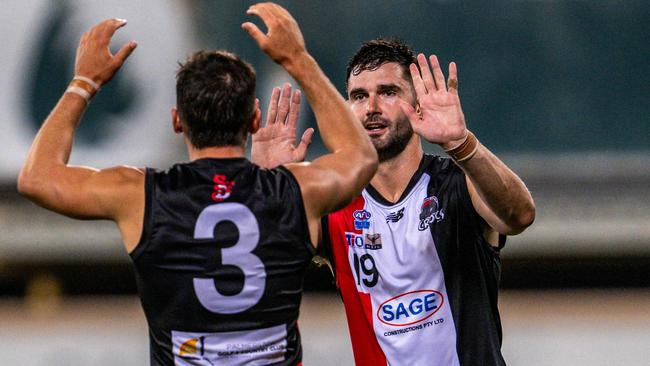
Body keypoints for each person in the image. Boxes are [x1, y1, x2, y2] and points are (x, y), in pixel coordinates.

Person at [17, 3, 377, 365]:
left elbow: (37, 177)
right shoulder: (295, 191)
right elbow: (360, 156)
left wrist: (84, 83)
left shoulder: (141, 195)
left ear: (177, 121)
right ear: (254, 119)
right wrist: (298, 59)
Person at [253, 39, 536, 365]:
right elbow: (263, 257)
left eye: (388, 92)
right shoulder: (336, 203)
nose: (371, 107)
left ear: (417, 105)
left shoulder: (458, 183)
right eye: (359, 96)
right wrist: (265, 189)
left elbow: (520, 215)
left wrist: (462, 144)